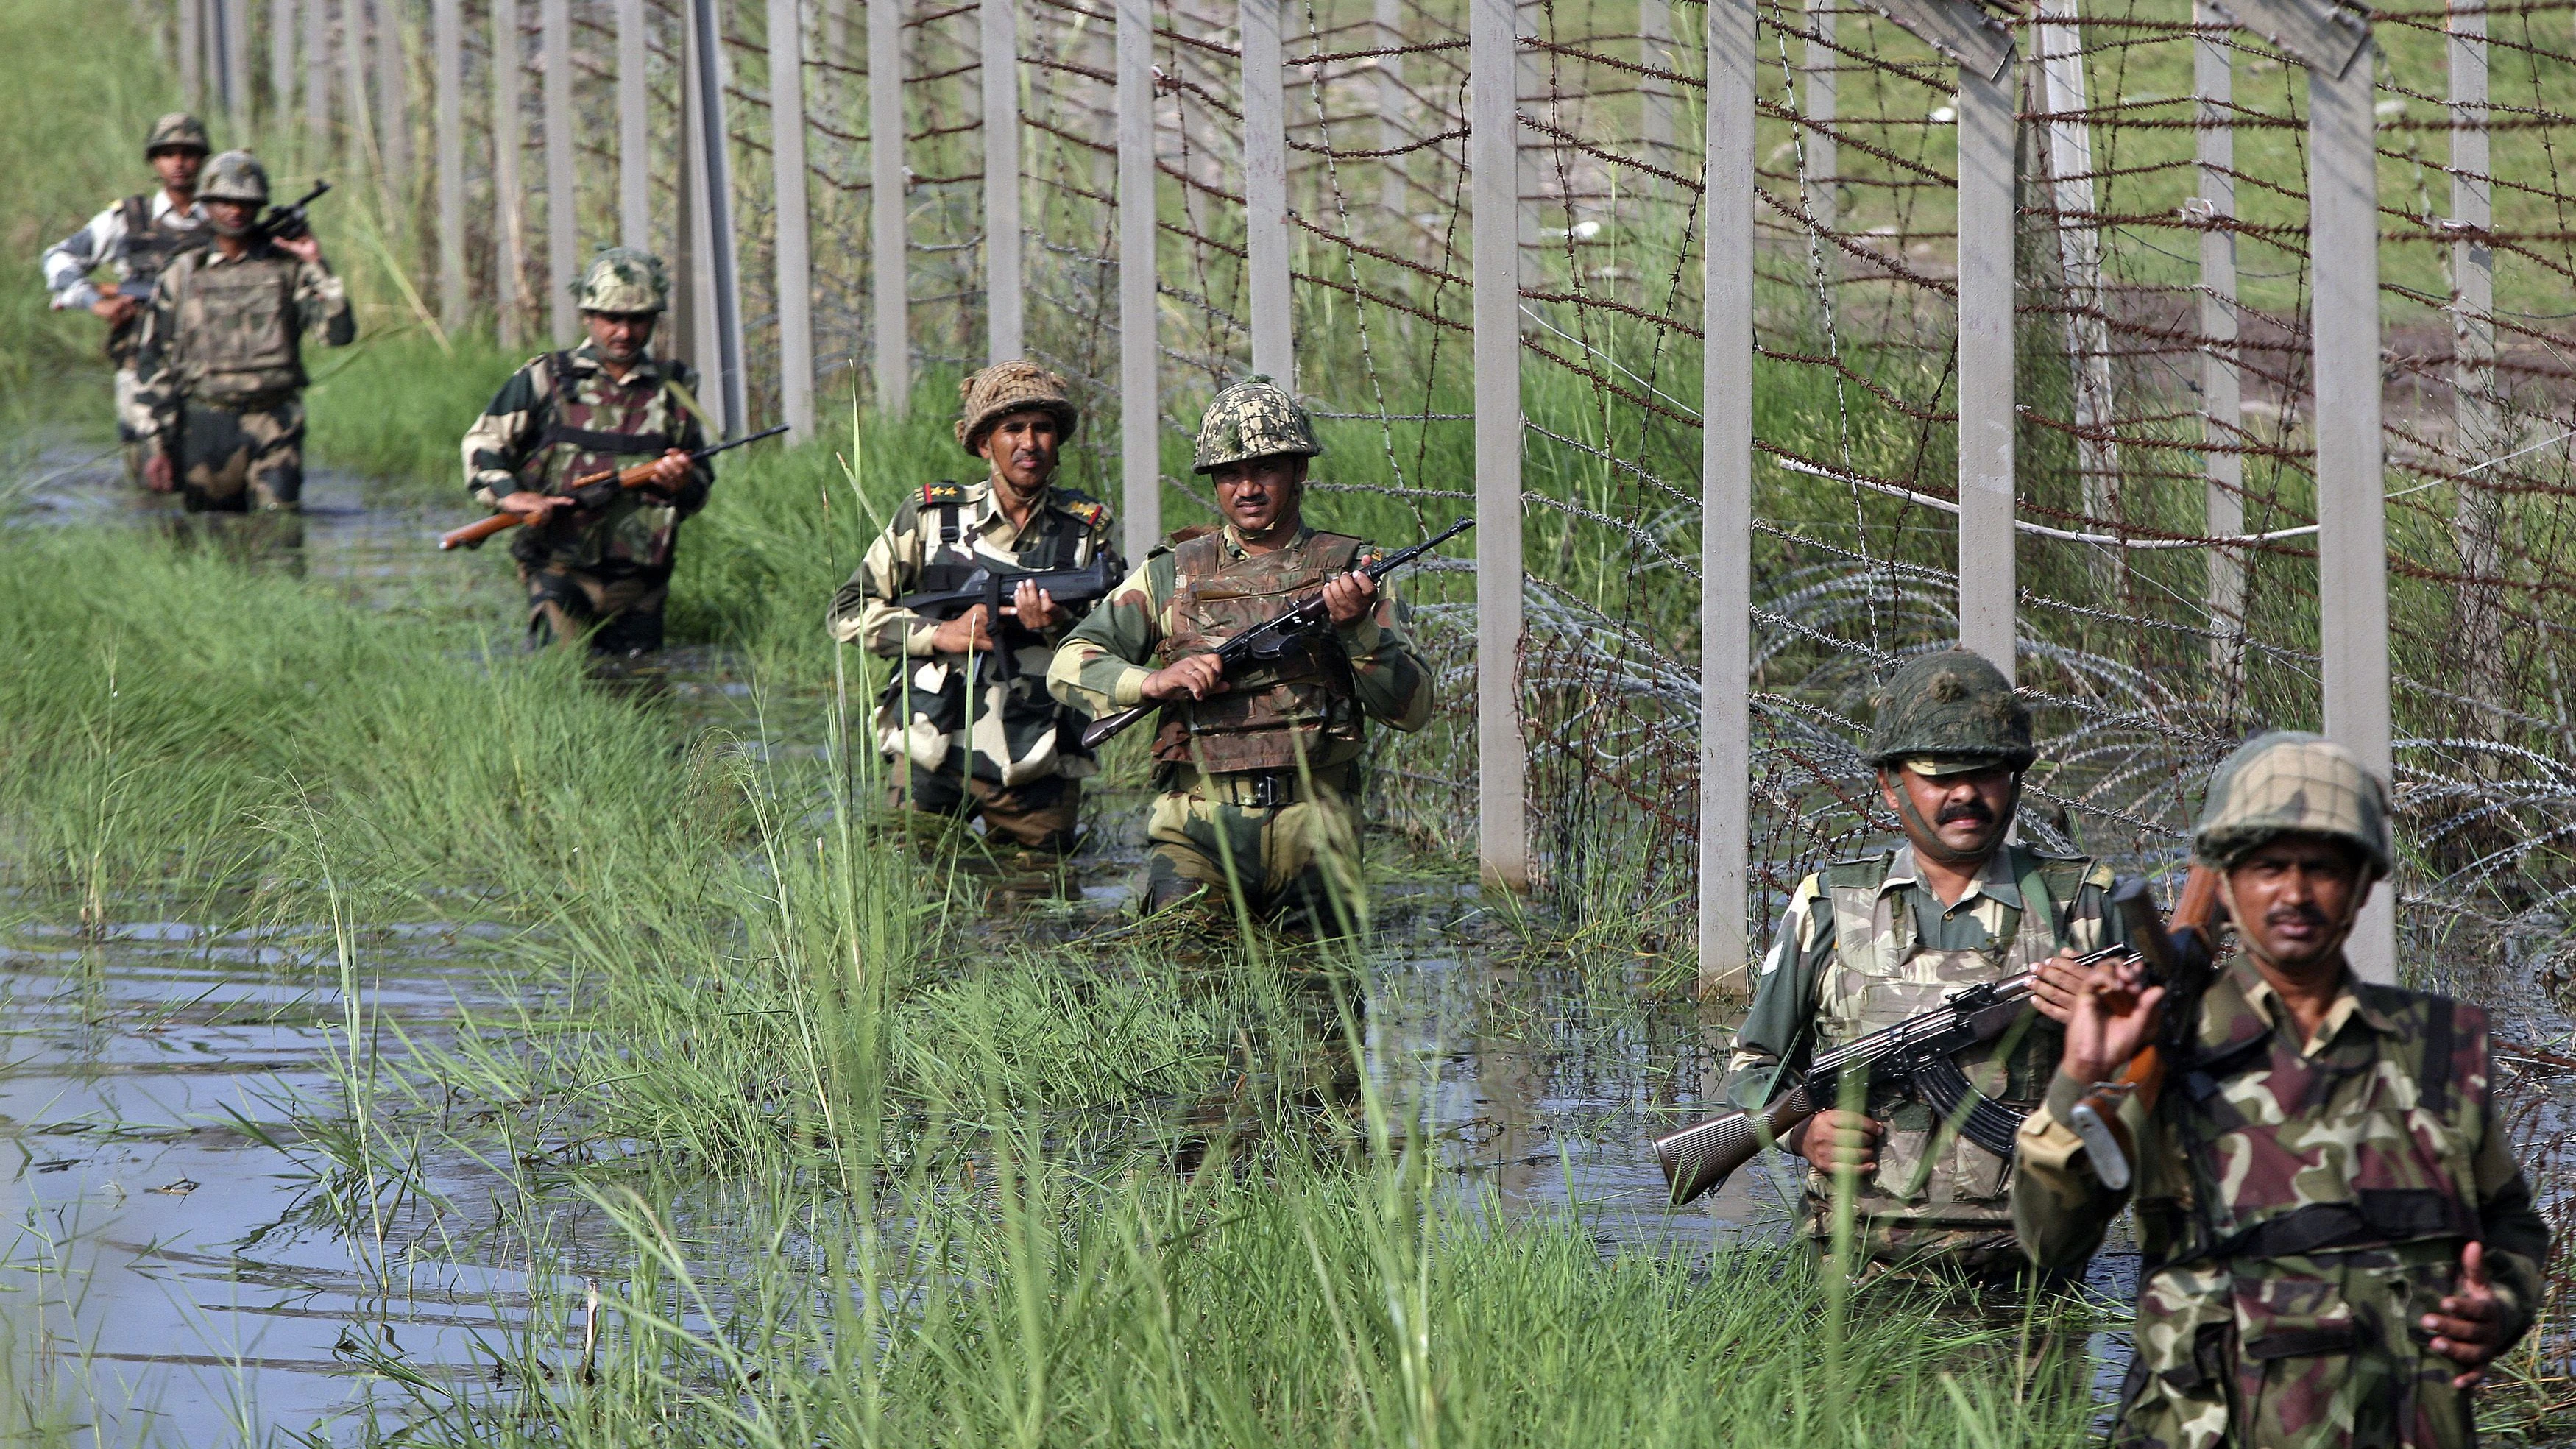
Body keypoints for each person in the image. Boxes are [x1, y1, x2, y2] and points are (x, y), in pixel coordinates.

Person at [2016, 732, 2548, 1448]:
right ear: (2227, 883)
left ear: (2362, 884)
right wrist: (2078, 1074)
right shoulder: (2160, 1047)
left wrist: (2500, 1307)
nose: (2294, 892)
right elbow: (2046, 1242)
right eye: (2267, 866)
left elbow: (2510, 1224)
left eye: (2322, 868)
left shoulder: (2436, 1049)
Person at [1718, 648, 2137, 1287]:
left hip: (2033, 1279)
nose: (1965, 793)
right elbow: (1754, 1064)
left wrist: (2102, 1035)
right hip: (1855, 1277)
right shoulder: (1827, 905)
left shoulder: (2084, 908)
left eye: (1986, 772)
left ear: (2016, 778)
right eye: (1940, 776)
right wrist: (1801, 1131)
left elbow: (2154, 1089)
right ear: (1890, 785)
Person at [1047, 375, 1433, 925]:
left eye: (1265, 469)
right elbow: (1070, 661)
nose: (1247, 488)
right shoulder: (1169, 574)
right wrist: (1154, 681)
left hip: (1317, 833)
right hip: (1196, 832)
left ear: (1299, 470)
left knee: (1319, 1003)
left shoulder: (1356, 575)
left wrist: (1358, 632)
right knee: (1188, 996)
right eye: (1230, 473)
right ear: (1213, 481)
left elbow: (1412, 711)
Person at [829, 362, 1118, 851]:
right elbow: (847, 611)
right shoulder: (930, 519)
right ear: (984, 443)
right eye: (1013, 428)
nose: (1030, 442)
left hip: (1036, 756)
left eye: (1043, 428)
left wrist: (1055, 627)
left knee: (1041, 906)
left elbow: (1112, 641)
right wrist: (942, 634)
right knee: (913, 895)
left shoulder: (1085, 531)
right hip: (930, 751)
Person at [461, 248, 710, 656]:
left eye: (638, 319)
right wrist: (510, 495)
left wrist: (681, 483)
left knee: (641, 694)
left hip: (641, 579)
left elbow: (700, 487)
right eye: (613, 319)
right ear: (588, 317)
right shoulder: (547, 378)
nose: (625, 333)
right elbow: (483, 444)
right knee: (561, 681)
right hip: (559, 569)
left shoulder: (675, 389)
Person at [131, 150, 354, 514]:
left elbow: (338, 334)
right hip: (206, 423)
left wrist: (316, 261)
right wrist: (156, 445)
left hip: (274, 421)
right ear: (207, 204)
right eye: (224, 202)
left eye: (246, 203)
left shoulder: (288, 269)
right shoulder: (183, 273)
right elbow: (153, 361)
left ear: (259, 206)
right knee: (211, 533)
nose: (235, 211)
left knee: (281, 526)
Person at [40, 113, 214, 483]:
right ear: (154, 160)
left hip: (211, 367)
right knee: (148, 477)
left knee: (214, 478)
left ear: (203, 159)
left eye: (189, 153)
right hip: (142, 365)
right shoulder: (128, 219)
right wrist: (95, 302)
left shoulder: (224, 218)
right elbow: (58, 258)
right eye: (168, 153)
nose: (179, 163)